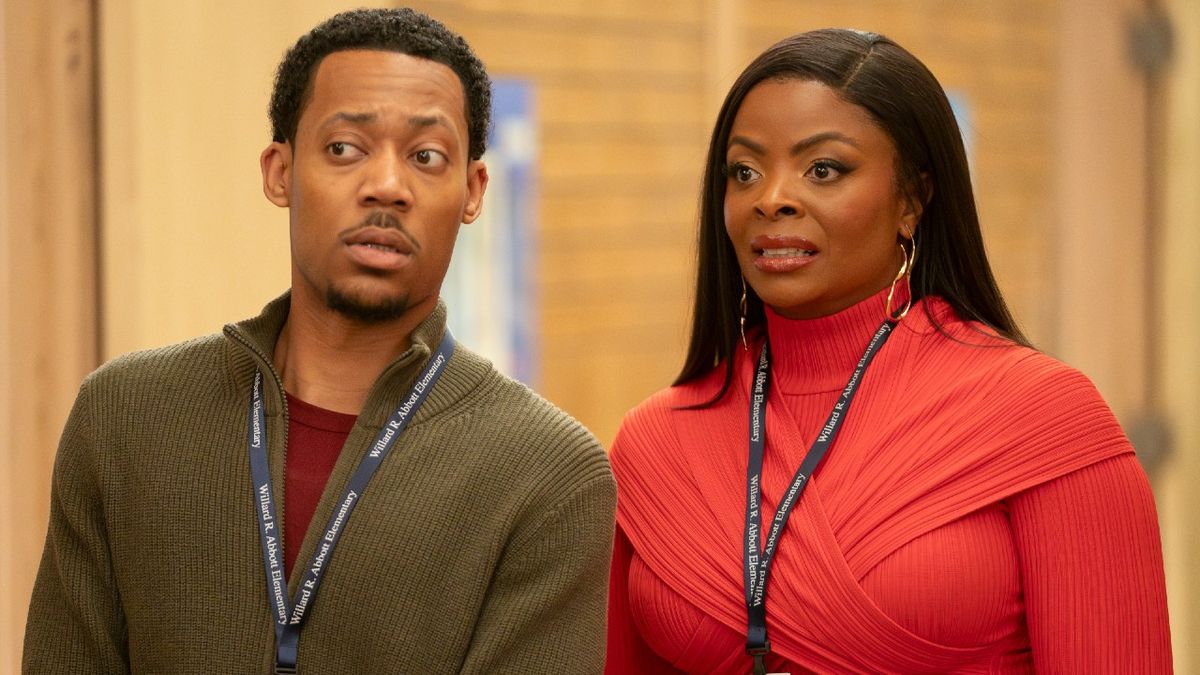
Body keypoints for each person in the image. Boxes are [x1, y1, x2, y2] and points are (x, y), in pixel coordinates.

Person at [24, 8, 615, 673]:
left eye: (426, 156)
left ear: (473, 190)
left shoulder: (548, 474)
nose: (387, 186)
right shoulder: (124, 418)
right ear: (280, 171)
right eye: (344, 148)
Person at [606, 28, 1171, 673]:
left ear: (912, 199)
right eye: (745, 172)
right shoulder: (656, 444)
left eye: (824, 169)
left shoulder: (1043, 418)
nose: (771, 198)